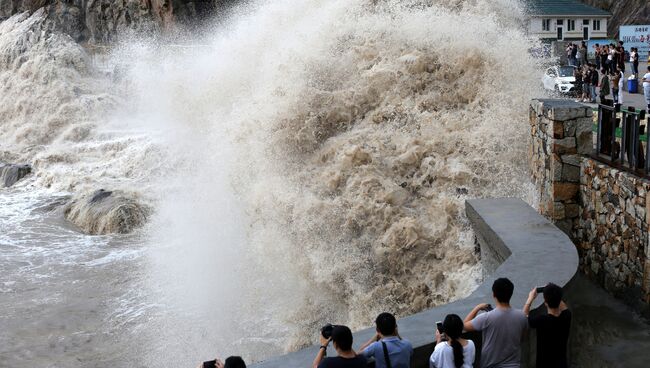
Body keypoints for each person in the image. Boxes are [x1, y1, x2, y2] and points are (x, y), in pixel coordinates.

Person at [463, 278, 527, 368]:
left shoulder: (486, 318)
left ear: (494, 295)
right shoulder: (522, 316)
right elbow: (522, 338)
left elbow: (463, 326)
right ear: (511, 294)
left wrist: (477, 308)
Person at [524, 283, 572, 368]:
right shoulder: (567, 316)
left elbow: (523, 317)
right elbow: (561, 304)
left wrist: (530, 298)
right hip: (561, 364)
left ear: (545, 303)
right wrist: (552, 290)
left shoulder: (541, 320)